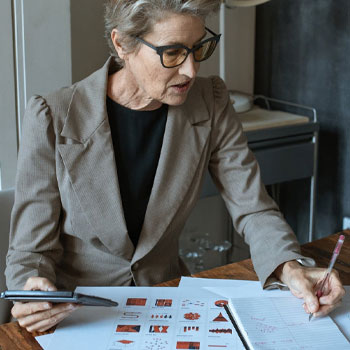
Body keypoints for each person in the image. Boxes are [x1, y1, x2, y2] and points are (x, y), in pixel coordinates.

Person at [6, 0, 344, 333]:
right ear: (121, 43)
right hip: (76, 317)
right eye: (172, 53)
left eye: (198, 48)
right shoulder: (53, 116)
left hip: (167, 306)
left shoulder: (210, 101)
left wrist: (290, 267)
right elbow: (30, 252)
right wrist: (33, 292)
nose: (191, 70)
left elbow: (253, 208)